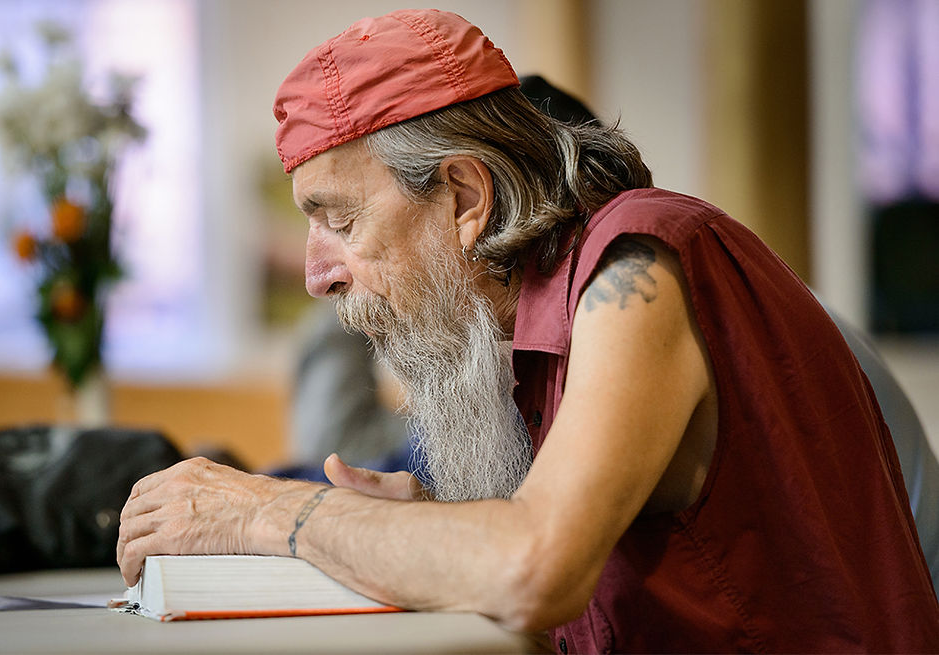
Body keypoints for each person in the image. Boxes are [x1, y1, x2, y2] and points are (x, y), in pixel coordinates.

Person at [117, 9, 939, 652]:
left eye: (338, 220)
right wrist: (428, 519)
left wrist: (265, 512)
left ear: (467, 198)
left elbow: (535, 568)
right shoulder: (544, 321)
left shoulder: (639, 269)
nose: (314, 274)